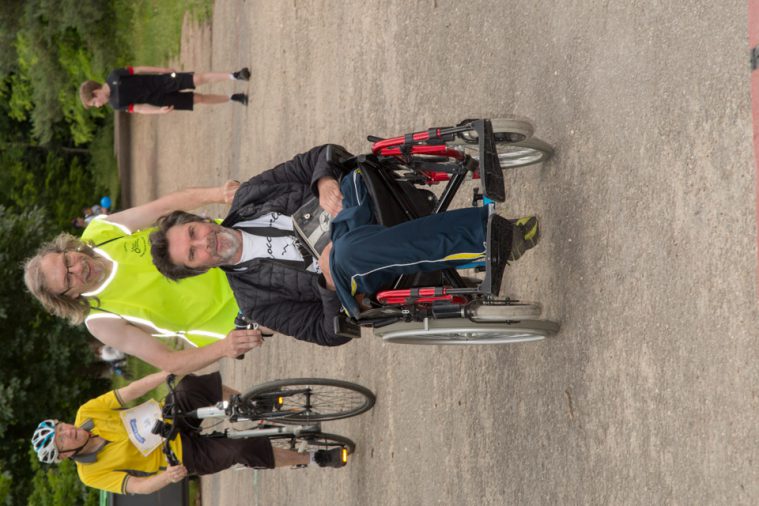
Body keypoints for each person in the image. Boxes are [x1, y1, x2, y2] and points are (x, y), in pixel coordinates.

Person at [148, 145, 539, 337]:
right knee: (349, 253)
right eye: (194, 255)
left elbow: (318, 156)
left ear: (200, 220)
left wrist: (322, 182)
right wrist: (328, 283)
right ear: (198, 269)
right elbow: (327, 332)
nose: (205, 244)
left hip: (354, 212)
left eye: (194, 234)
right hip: (350, 271)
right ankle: (497, 237)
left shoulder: (250, 194)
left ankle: (485, 233)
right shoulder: (255, 301)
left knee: (354, 178)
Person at [23, 181, 262, 374]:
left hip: (226, 246)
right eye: (68, 279)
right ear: (69, 296)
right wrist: (224, 347)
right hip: (238, 311)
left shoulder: (100, 233)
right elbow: (170, 362)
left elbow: (164, 206)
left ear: (67, 249)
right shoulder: (101, 321)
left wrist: (219, 193)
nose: (77, 268)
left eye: (67, 260)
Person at [31, 372, 347, 495]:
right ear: (64, 455)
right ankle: (314, 457)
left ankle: (251, 407)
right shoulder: (91, 474)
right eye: (62, 439)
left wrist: (162, 374)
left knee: (187, 387)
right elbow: (137, 486)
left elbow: (127, 393)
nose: (68, 431)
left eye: (61, 427)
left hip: (167, 417)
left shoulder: (87, 414)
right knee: (239, 451)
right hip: (179, 455)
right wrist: (168, 477)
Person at [79, 66, 250, 115]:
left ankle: (235, 76)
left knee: (197, 79)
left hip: (159, 81)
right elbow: (139, 108)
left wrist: (161, 69)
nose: (98, 105)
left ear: (95, 92)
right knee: (198, 99)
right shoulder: (116, 105)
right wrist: (158, 111)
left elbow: (138, 70)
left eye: (94, 102)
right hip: (159, 100)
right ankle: (233, 98)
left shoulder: (115, 75)